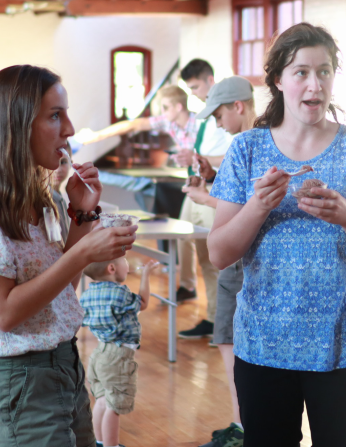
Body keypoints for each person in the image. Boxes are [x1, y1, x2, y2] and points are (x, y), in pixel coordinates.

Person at [208, 23, 346, 447]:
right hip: (263, 347)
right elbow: (219, 253)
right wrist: (259, 206)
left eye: (325, 71)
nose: (315, 84)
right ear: (277, 80)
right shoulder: (246, 150)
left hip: (344, 348)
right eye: (301, 72)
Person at [0, 64, 138, 447]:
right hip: (19, 382)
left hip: (64, 367)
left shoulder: (39, 198)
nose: (69, 129)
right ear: (17, 125)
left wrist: (82, 215)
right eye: (55, 116)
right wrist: (83, 251)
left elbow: (58, 291)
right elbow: (4, 313)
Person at [180, 76, 256, 447]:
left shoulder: (248, 142)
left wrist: (203, 196)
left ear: (238, 106)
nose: (218, 123)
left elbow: (246, 210)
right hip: (242, 256)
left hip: (240, 258)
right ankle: (243, 423)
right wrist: (211, 178)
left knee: (228, 339)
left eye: (221, 114)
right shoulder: (257, 142)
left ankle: (243, 428)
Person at [173, 61, 233, 337]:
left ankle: (222, 322)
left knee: (216, 258)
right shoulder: (207, 116)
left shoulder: (227, 114)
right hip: (202, 184)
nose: (194, 93)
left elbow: (232, 156)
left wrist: (201, 160)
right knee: (200, 254)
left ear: (210, 80)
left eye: (195, 87)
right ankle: (212, 317)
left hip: (218, 189)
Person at [75, 85, 199, 212]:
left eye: (166, 107)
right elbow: (134, 125)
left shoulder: (200, 124)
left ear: (178, 107)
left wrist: (193, 158)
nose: (162, 111)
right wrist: (97, 135)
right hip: (193, 178)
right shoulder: (169, 122)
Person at [80, 254, 155, 447]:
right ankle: (111, 445)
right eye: (125, 261)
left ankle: (99, 442)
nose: (128, 265)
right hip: (118, 356)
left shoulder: (87, 294)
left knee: (102, 401)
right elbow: (143, 303)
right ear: (111, 268)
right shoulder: (120, 293)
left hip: (99, 355)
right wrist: (146, 274)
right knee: (114, 406)